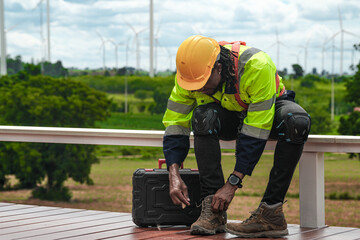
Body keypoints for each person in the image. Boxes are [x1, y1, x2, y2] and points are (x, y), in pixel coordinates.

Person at [162, 35, 311, 238]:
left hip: (268, 109)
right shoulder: (190, 77)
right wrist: (174, 173)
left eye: (203, 83)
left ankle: (271, 214)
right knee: (203, 115)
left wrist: (232, 183)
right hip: (229, 112)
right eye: (193, 86)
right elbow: (175, 125)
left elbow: (256, 130)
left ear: (218, 68)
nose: (197, 89)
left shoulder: (257, 65)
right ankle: (213, 211)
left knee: (297, 122)